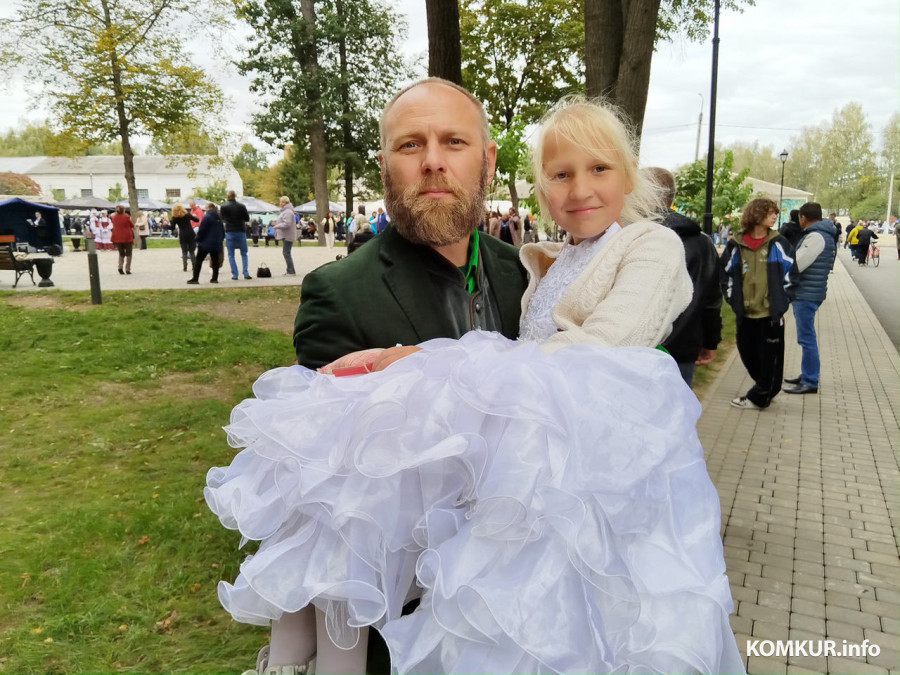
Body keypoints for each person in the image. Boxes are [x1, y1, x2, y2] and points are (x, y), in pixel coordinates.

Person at [208, 85, 741, 675]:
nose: (434, 160)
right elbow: (337, 489)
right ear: (385, 165)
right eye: (411, 144)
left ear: (485, 162)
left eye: (454, 142)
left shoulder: (526, 269)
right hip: (411, 626)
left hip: (550, 592)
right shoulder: (340, 293)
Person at [647, 167, 722, 386]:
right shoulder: (702, 243)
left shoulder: (625, 234)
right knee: (676, 413)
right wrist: (711, 342)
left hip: (636, 347)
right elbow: (711, 300)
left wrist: (710, 341)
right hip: (682, 345)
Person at [721, 197, 797, 410]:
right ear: (756, 214)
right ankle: (766, 388)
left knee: (771, 357)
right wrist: (732, 300)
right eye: (770, 212)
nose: (775, 216)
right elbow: (725, 275)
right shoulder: (736, 244)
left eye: (775, 213)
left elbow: (792, 273)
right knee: (747, 353)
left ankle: (760, 396)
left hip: (770, 314)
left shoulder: (778, 243)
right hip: (744, 313)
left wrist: (781, 303)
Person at [782, 202, 836, 396]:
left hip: (806, 293)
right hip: (812, 291)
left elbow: (797, 263)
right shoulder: (824, 234)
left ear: (803, 217)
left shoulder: (816, 237)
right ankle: (807, 374)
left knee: (806, 338)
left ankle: (810, 380)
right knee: (806, 337)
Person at [187, 203, 224, 284]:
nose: (205, 210)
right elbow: (222, 230)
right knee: (215, 261)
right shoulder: (219, 217)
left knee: (198, 260)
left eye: (206, 208)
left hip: (205, 243)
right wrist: (220, 240)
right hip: (216, 243)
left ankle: (195, 278)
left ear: (210, 208)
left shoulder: (207, 217)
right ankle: (214, 278)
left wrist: (197, 239)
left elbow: (202, 230)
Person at [221, 190, 253, 280]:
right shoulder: (241, 206)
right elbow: (247, 218)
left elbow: (222, 218)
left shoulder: (223, 207)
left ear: (228, 196)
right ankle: (245, 273)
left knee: (231, 254)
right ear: (235, 196)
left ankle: (235, 274)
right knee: (244, 253)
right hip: (240, 231)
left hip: (229, 231)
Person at [170, 204, 199, 271]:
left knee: (184, 251)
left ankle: (185, 266)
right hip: (191, 233)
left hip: (182, 234)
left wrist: (165, 226)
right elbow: (197, 220)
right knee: (192, 251)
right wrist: (194, 216)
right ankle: (194, 266)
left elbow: (172, 227)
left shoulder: (175, 217)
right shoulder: (187, 215)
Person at [273, 196, 297, 276]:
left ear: (285, 203)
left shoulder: (288, 212)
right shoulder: (285, 211)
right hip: (286, 235)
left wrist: (277, 226)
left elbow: (287, 224)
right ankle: (290, 270)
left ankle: (291, 271)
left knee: (286, 253)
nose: (280, 203)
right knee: (286, 252)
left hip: (288, 235)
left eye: (281, 202)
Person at [110, 205, 135, 274]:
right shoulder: (126, 217)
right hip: (127, 238)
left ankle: (120, 267)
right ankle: (128, 269)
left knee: (121, 253)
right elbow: (132, 225)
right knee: (129, 253)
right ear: (123, 210)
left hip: (117, 238)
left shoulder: (113, 217)